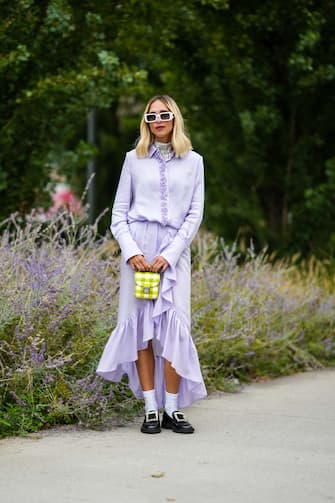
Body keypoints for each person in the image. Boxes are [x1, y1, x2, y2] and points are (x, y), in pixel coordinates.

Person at [96, 94, 207, 434]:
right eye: (151, 115)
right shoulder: (133, 159)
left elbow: (194, 214)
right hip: (138, 253)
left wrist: (170, 254)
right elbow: (118, 214)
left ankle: (172, 409)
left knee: (174, 327)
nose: (157, 120)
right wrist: (131, 252)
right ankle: (150, 409)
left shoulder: (194, 161)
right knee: (141, 330)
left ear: (175, 118)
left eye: (164, 114)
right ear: (145, 121)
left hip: (173, 254)